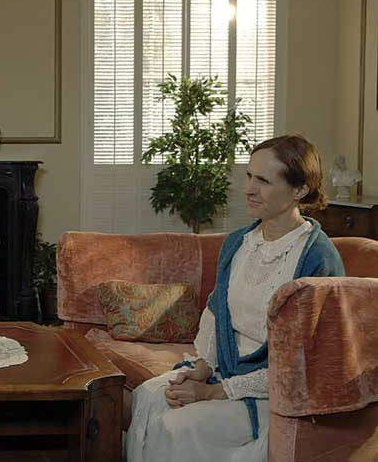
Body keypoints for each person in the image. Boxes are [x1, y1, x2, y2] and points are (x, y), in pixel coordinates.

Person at [126, 135, 344, 462]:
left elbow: (305, 364)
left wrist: (213, 392)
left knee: (178, 425)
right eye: (249, 176)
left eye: (263, 181)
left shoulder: (317, 258)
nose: (249, 189)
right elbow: (217, 315)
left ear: (299, 190)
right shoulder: (238, 243)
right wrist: (202, 369)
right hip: (222, 371)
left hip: (272, 393)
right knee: (149, 396)